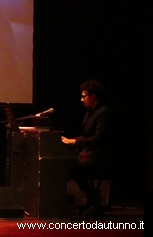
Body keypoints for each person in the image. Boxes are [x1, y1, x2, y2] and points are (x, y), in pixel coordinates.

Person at [61, 79, 112, 217]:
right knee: (68, 166)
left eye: (84, 96)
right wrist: (69, 140)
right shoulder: (90, 112)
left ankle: (94, 198)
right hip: (89, 152)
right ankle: (91, 199)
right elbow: (85, 135)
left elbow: (98, 138)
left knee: (74, 168)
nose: (81, 99)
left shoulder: (103, 113)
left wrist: (74, 142)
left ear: (93, 96)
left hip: (99, 155)